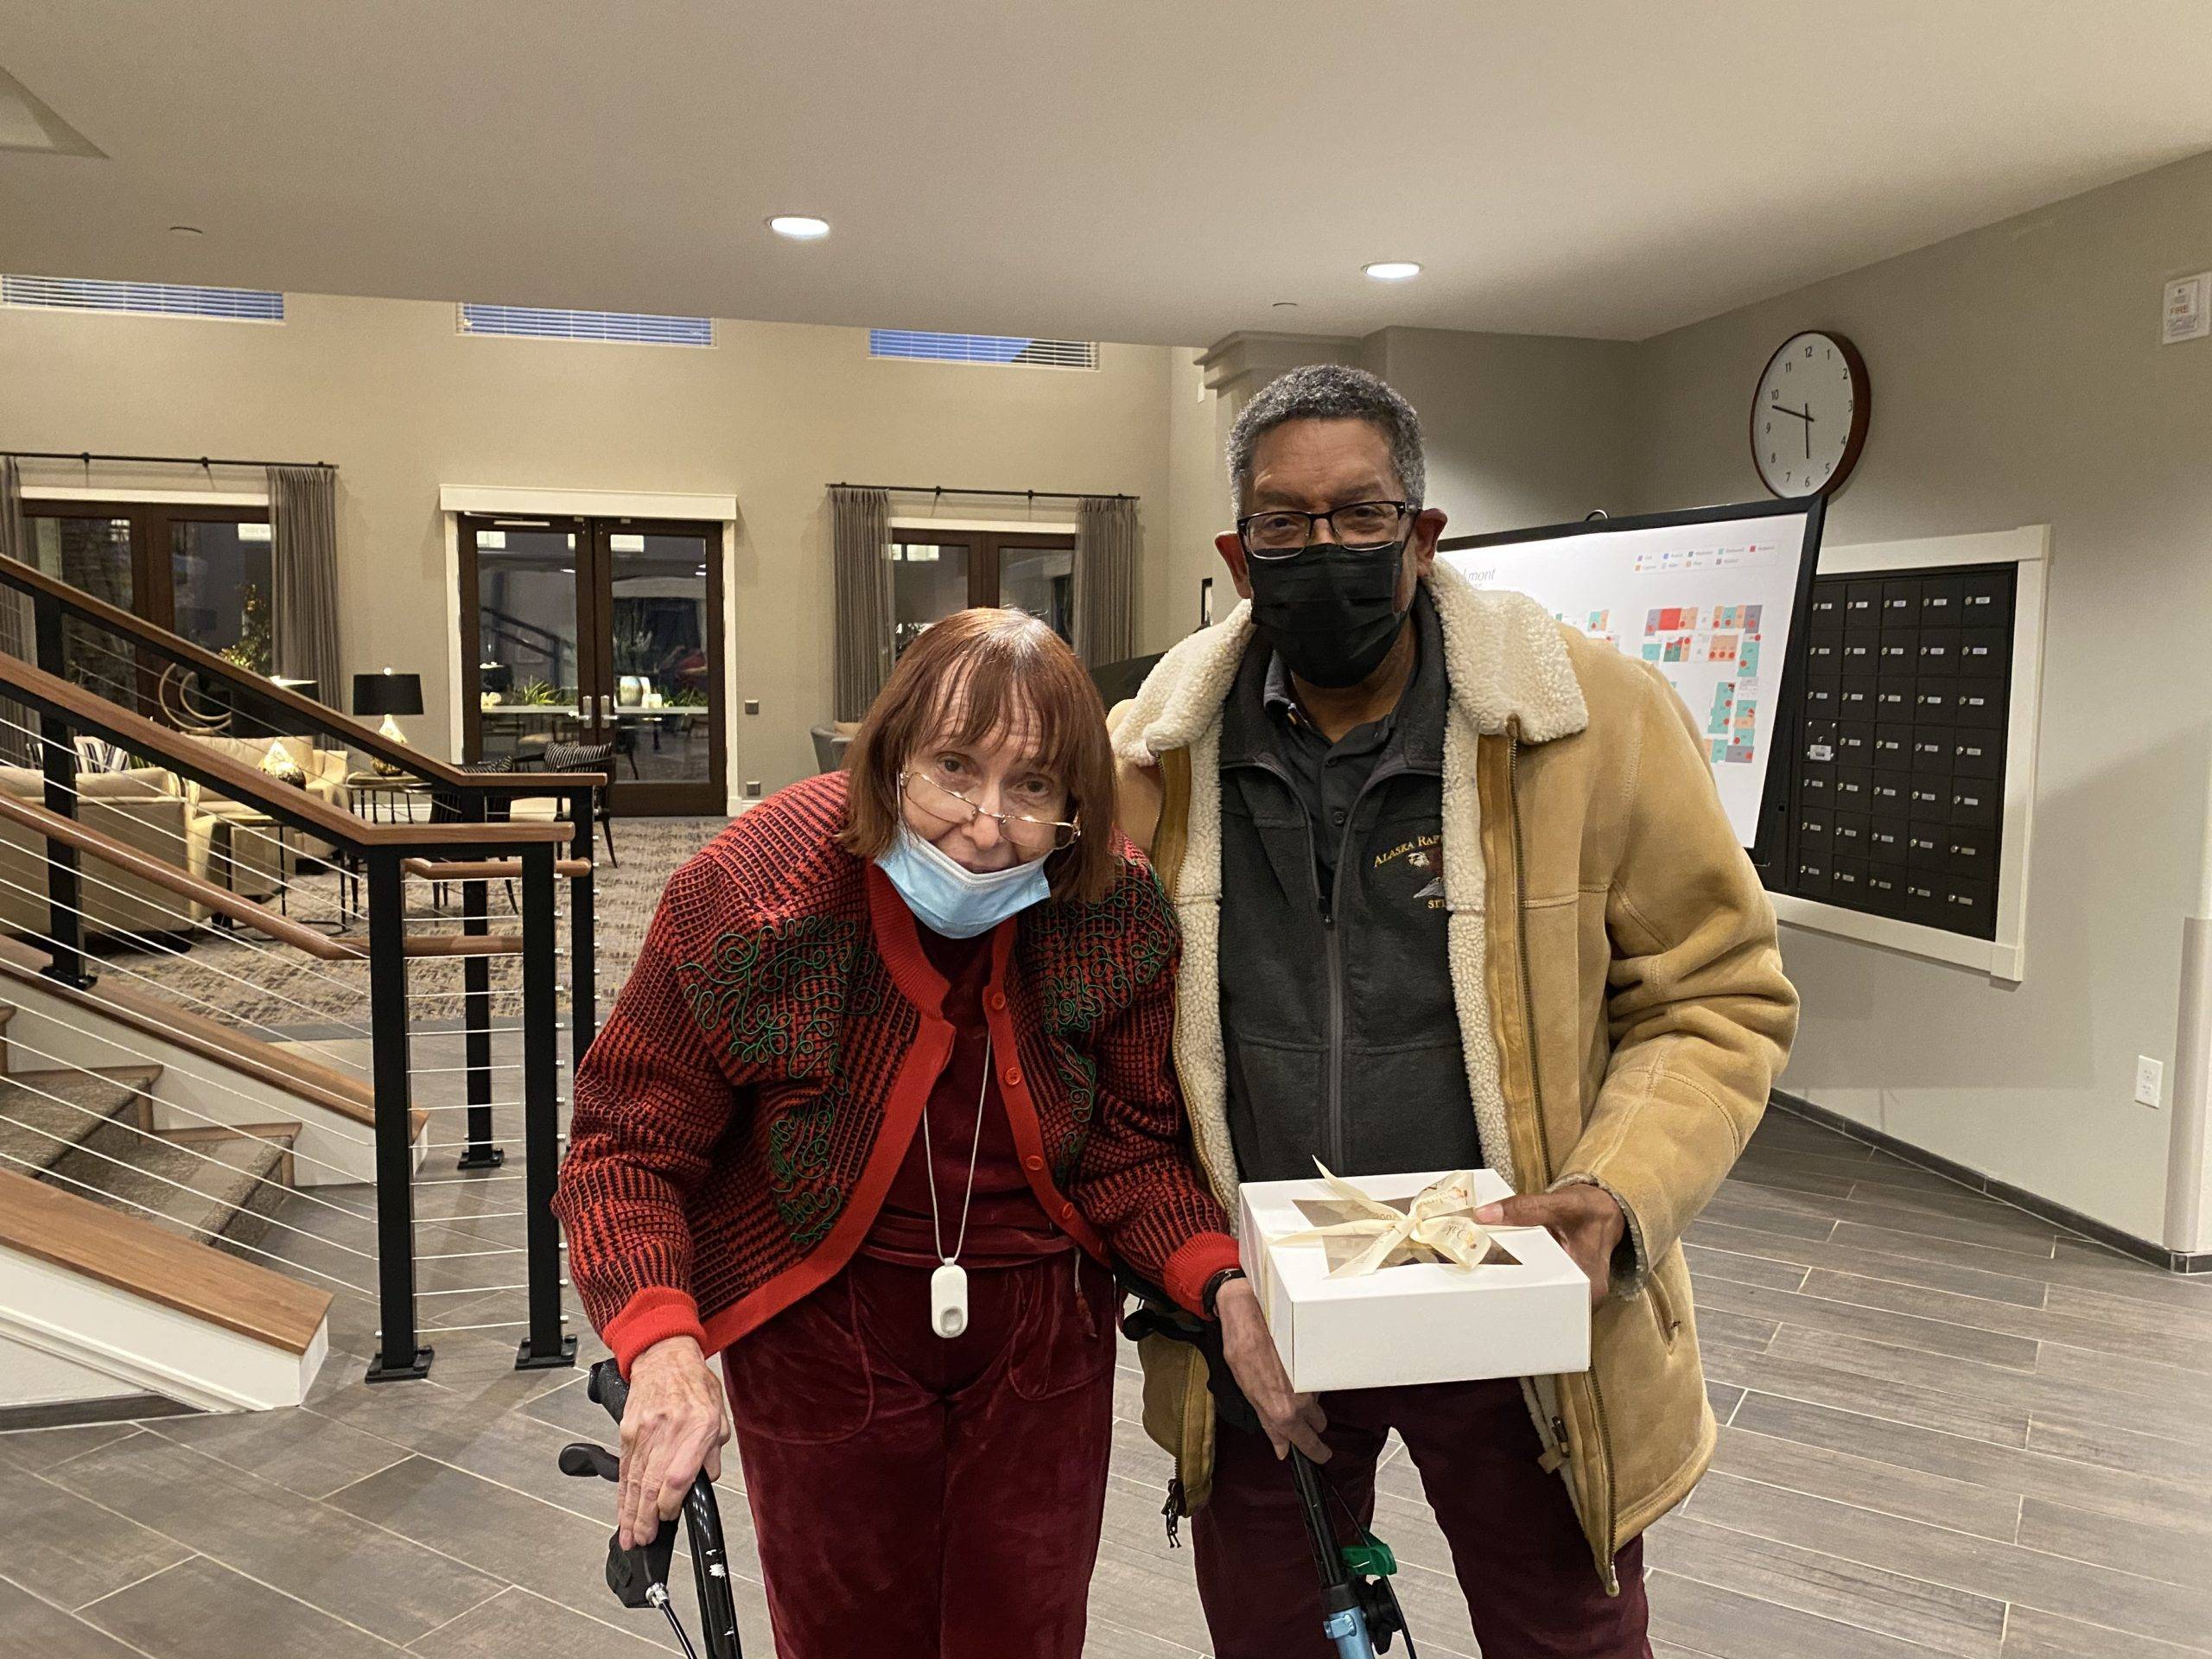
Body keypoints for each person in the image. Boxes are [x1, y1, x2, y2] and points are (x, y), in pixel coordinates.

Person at [1110, 365, 1799, 1656]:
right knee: (1278, 1632)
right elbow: (1099, 1042)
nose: (1323, 548)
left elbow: (1716, 993)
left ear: (1424, 538)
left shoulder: (1592, 724)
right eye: (1285, 521)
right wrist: (1199, 1281)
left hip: (1520, 1290)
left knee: (1565, 1635)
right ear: (1238, 553)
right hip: (1263, 1312)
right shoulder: (1153, 755)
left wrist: (1615, 1191)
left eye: (1362, 516)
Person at [552, 607, 1296, 1659]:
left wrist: (1223, 1282)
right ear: (891, 756)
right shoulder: (752, 894)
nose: (988, 825)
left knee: (1029, 1634)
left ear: (1074, 803)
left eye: (1033, 788)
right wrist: (662, 1344)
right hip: (820, 1318)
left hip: (1043, 1331)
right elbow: (625, 1145)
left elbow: (1131, 1149)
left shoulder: (1112, 908)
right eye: (954, 769)